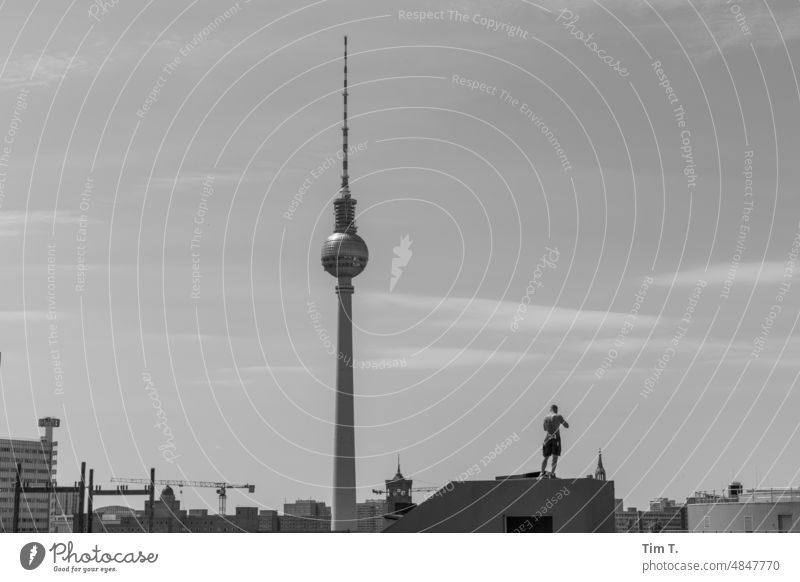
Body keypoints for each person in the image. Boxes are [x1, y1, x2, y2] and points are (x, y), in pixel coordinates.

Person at [540, 404, 569, 478]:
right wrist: (560, 423)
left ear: (550, 410)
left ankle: (542, 473)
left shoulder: (546, 418)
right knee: (555, 456)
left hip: (547, 438)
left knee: (546, 457)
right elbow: (566, 426)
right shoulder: (558, 416)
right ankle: (552, 474)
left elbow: (545, 429)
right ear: (556, 409)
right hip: (555, 438)